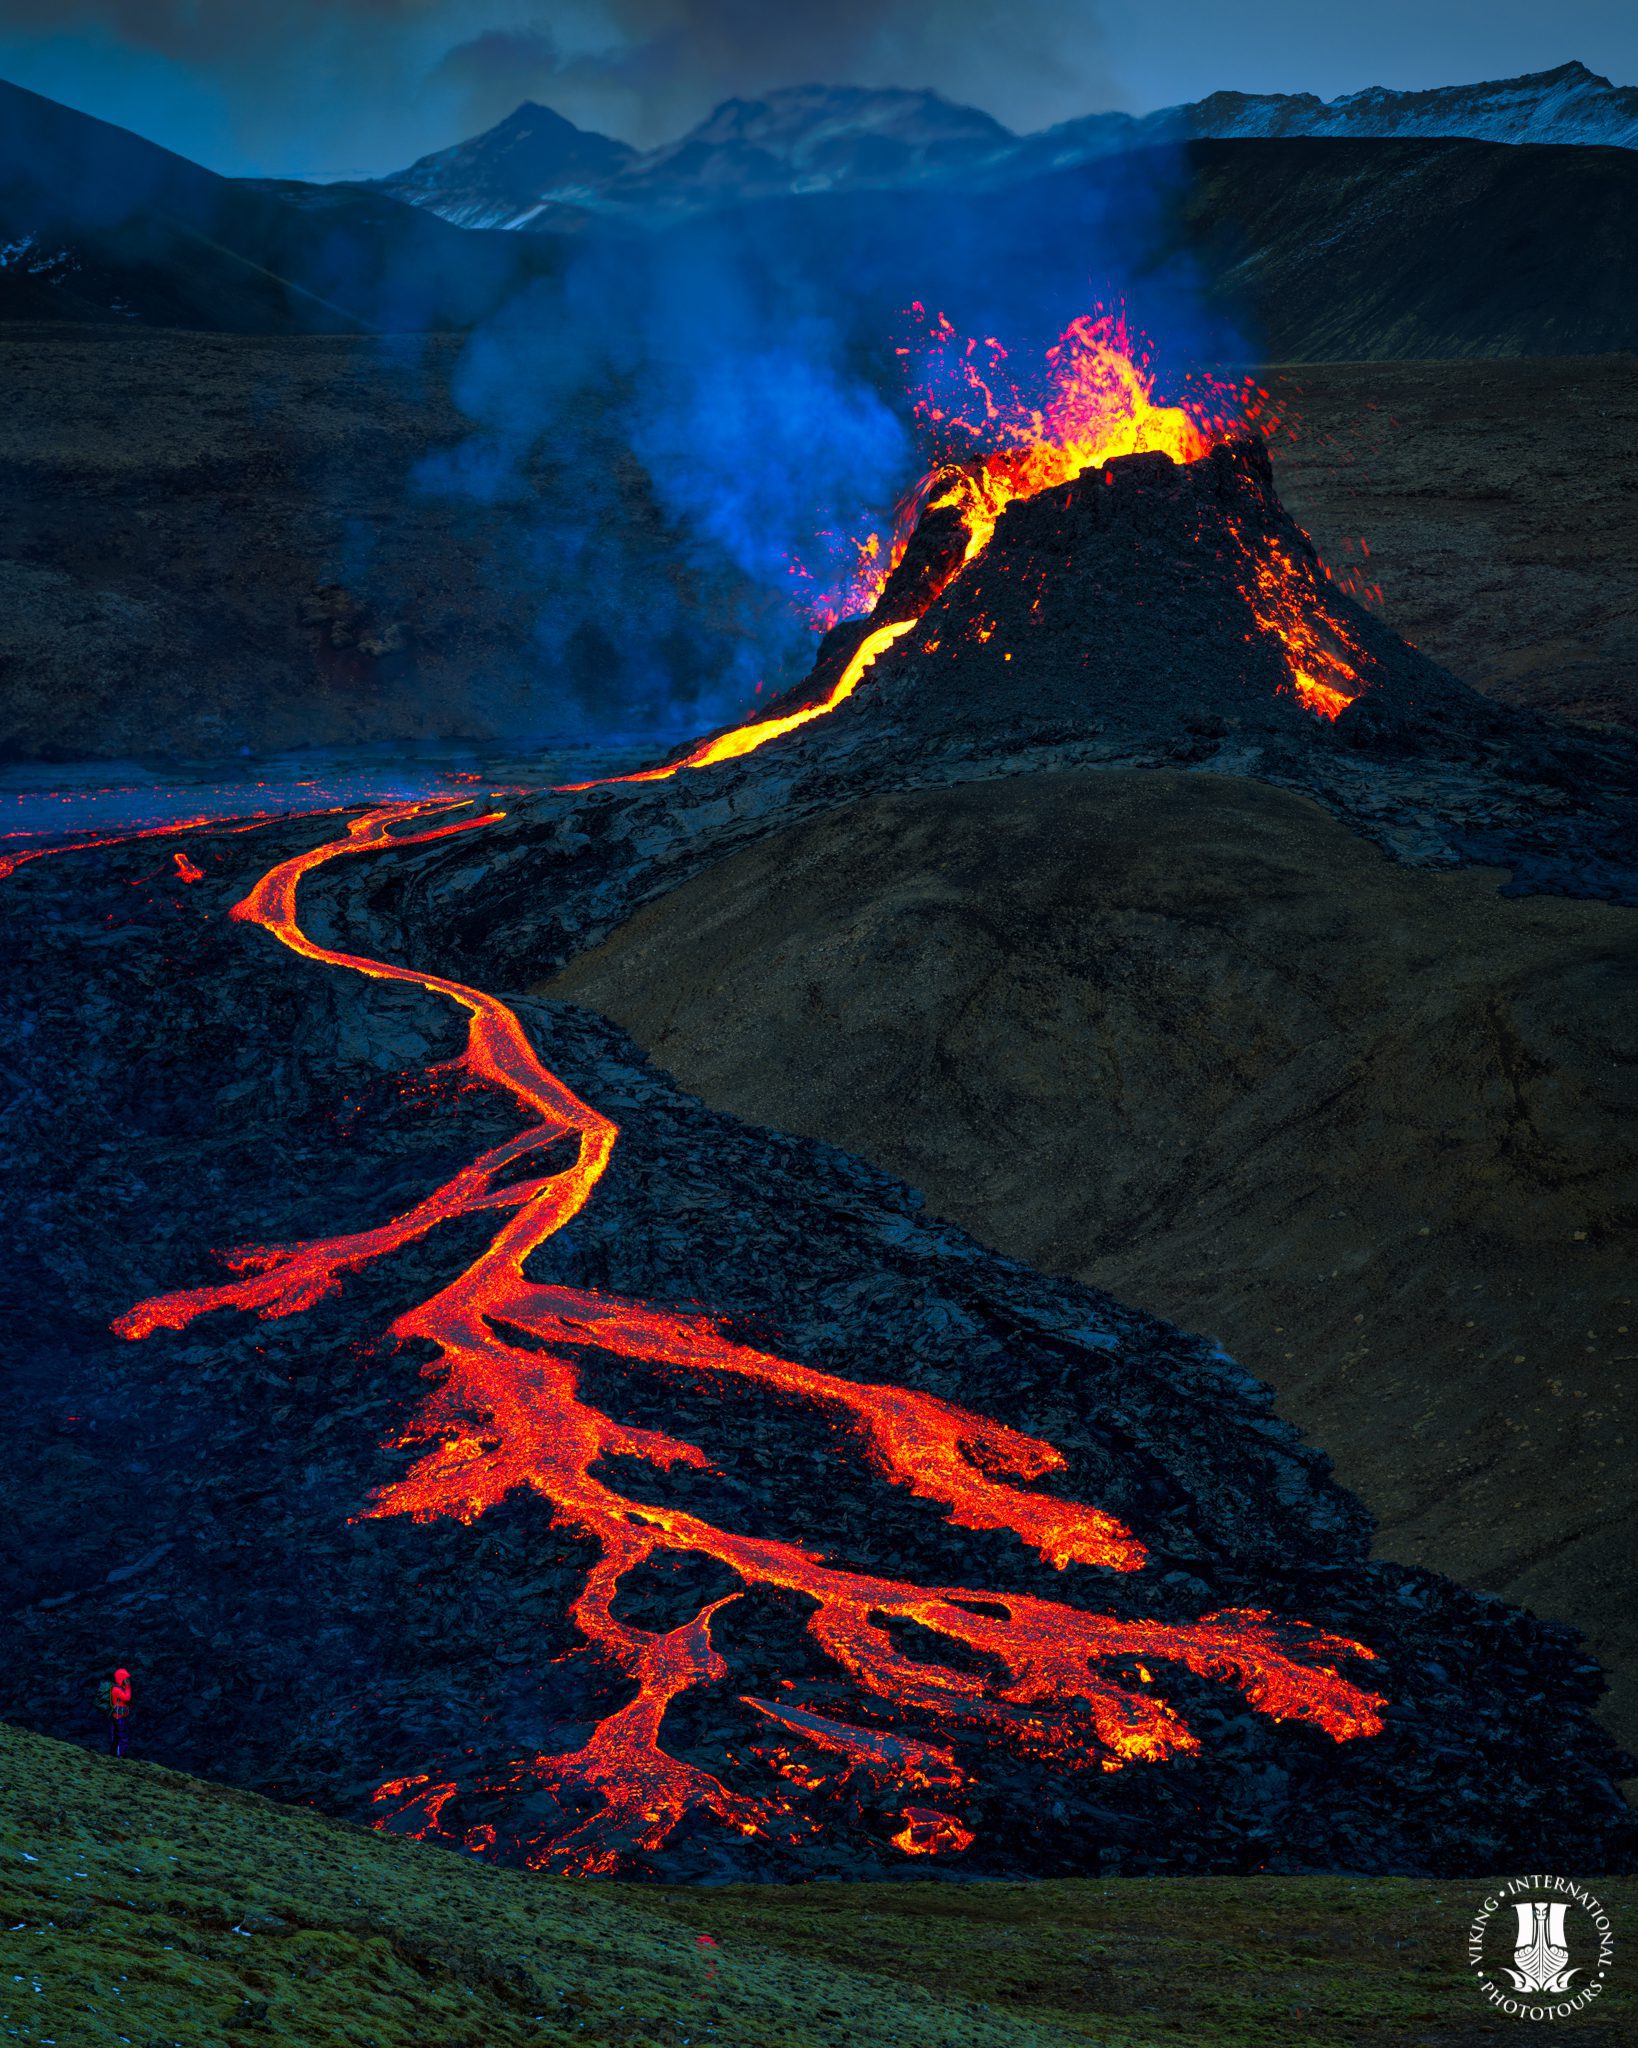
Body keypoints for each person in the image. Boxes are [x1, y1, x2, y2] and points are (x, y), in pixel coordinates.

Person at [100, 1667, 133, 1756]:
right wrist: (128, 1686)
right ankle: (120, 1755)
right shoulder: (116, 1689)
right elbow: (127, 1698)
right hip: (118, 1717)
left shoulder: (120, 1688)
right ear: (121, 1678)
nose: (128, 1680)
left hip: (120, 1716)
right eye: (126, 1678)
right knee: (122, 1737)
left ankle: (116, 1753)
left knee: (117, 1736)